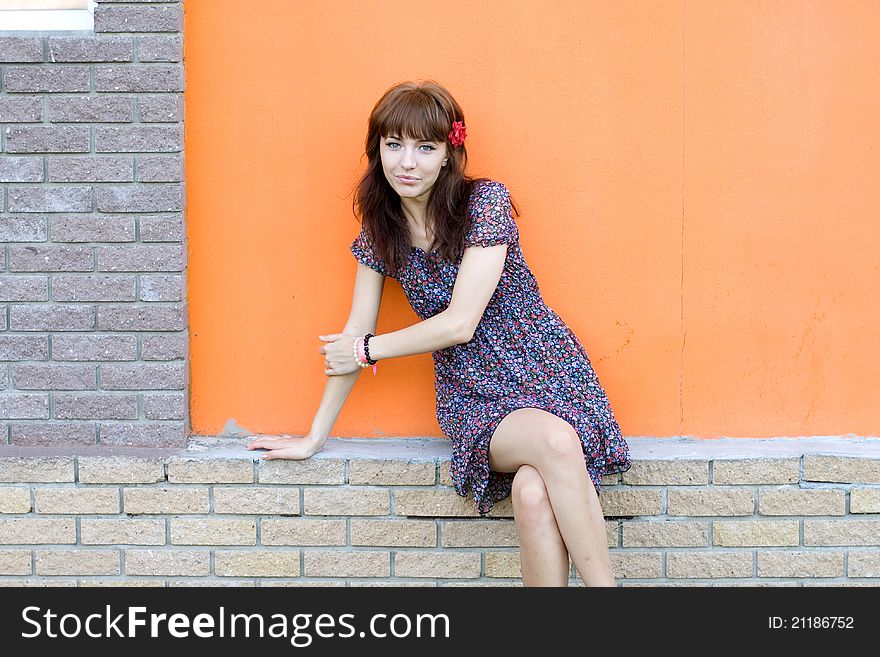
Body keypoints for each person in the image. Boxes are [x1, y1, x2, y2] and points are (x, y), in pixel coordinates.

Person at [247, 80, 632, 587]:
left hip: (550, 374)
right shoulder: (380, 236)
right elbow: (353, 337)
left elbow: (459, 321)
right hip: (476, 394)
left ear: (449, 153)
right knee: (557, 446)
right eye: (394, 145)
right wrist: (314, 436)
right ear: (377, 151)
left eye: (425, 148)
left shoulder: (484, 203)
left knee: (534, 492)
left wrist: (365, 350)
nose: (408, 162)